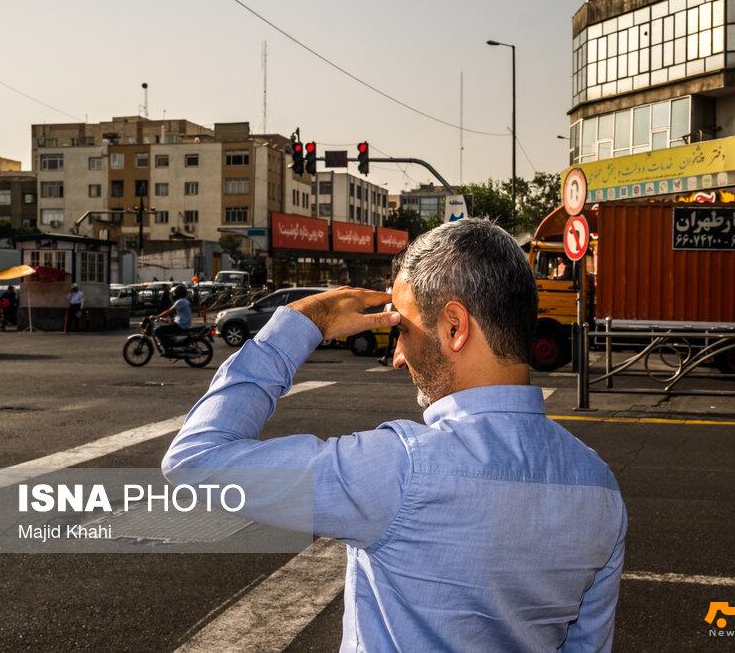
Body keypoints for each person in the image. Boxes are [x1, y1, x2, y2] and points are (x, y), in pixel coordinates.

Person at [163, 218, 626, 651]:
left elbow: (196, 460)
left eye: (400, 329)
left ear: (454, 326)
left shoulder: (401, 470)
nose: (398, 356)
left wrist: (302, 322)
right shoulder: (599, 486)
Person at [152, 284, 192, 350]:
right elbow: (180, 316)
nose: (173, 295)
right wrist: (167, 320)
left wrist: (156, 317)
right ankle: (171, 344)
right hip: (183, 324)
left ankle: (168, 348)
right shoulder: (184, 301)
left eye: (174, 293)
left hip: (181, 325)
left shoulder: (180, 301)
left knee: (158, 330)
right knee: (166, 328)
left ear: (178, 293)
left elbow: (169, 311)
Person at [377, 280, 399, 366]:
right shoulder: (390, 289)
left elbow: (393, 304)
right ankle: (386, 358)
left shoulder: (395, 289)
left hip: (396, 317)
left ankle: (386, 358)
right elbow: (387, 305)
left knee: (392, 338)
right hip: (394, 317)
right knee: (395, 338)